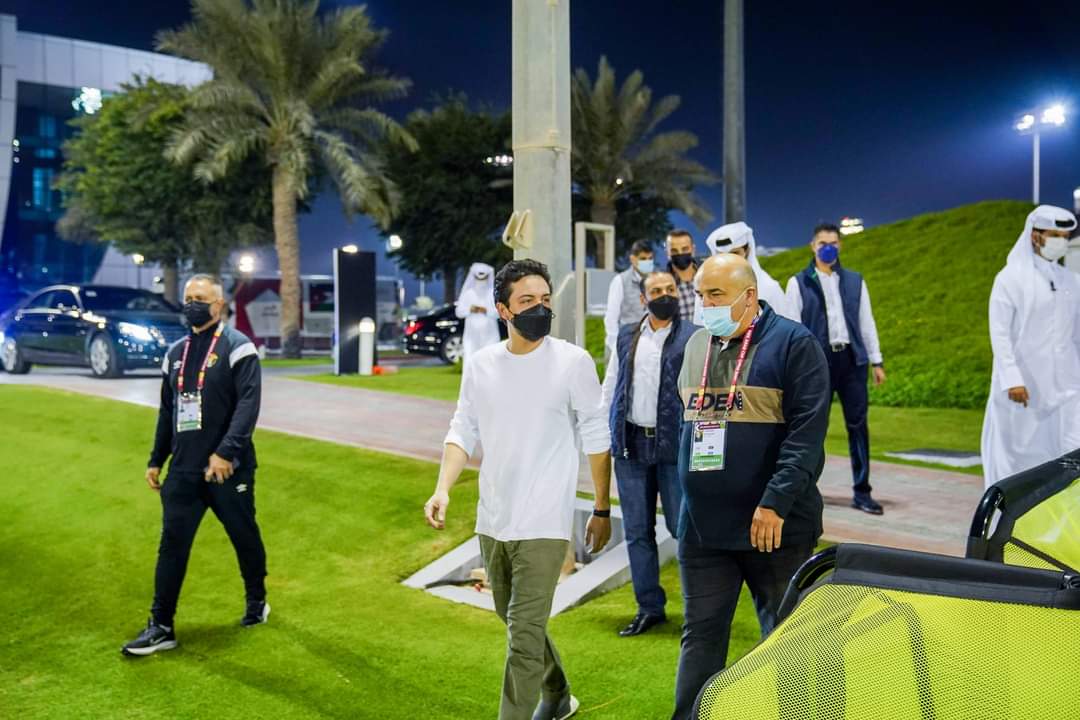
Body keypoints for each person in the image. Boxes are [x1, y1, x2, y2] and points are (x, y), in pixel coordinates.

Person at [424, 259, 612, 720]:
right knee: (511, 617)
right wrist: (442, 488)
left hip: (545, 520)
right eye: (527, 301)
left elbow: (597, 436)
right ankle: (558, 693)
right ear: (503, 310)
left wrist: (601, 508)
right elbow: (462, 428)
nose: (539, 309)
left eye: (545, 300)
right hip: (494, 517)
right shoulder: (482, 364)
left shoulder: (573, 362)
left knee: (523, 636)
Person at [672, 255, 830, 719]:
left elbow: (806, 437)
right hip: (703, 529)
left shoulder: (794, 344)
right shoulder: (697, 345)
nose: (705, 305)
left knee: (790, 643)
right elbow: (687, 428)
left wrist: (775, 502)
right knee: (700, 637)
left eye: (715, 295)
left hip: (773, 528)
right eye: (701, 295)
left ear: (749, 297)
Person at [123, 274, 267, 657]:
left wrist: (226, 453)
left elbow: (248, 406)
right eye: (188, 298)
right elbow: (167, 410)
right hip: (184, 471)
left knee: (243, 535)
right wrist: (157, 458)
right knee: (171, 545)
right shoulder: (175, 353)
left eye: (200, 298)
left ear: (218, 305)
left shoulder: (238, 348)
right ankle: (161, 626)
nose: (192, 305)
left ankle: (256, 600)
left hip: (228, 470)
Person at [601, 270, 694, 637]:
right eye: (656, 290)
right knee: (638, 531)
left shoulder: (694, 337)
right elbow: (612, 383)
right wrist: (604, 429)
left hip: (674, 445)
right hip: (632, 445)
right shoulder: (627, 336)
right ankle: (649, 607)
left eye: (670, 289)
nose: (665, 295)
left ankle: (697, 610)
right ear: (643, 299)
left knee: (682, 529)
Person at [785, 223, 887, 515]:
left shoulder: (855, 281)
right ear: (812, 246)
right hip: (818, 363)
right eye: (822, 243)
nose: (827, 248)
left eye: (833, 242)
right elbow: (792, 327)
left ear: (840, 245)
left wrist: (876, 361)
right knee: (813, 428)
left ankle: (862, 492)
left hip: (852, 361)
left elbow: (866, 322)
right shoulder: (799, 282)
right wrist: (795, 368)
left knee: (858, 426)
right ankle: (804, 490)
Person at [981, 205, 1080, 487]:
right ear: (1035, 236)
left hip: (1068, 387)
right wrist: (1012, 379)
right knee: (1020, 461)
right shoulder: (1010, 279)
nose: (1061, 242)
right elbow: (1000, 334)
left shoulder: (1071, 280)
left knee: (1069, 453)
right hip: (1024, 389)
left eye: (1065, 236)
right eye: (1054, 235)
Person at [704, 221, 793, 319]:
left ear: (747, 251)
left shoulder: (770, 289)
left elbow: (784, 326)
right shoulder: (705, 290)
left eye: (735, 253)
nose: (730, 260)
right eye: (723, 255)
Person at [604, 240, 656, 355]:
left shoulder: (656, 281)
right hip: (626, 345)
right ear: (633, 259)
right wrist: (616, 348)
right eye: (643, 259)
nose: (647, 262)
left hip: (650, 347)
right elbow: (611, 318)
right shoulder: (620, 281)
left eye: (650, 258)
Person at [456, 262, 501, 363]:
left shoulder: (492, 293)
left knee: (490, 360)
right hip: (471, 334)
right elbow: (459, 312)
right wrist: (470, 310)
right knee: (471, 360)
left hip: (490, 333)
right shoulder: (468, 293)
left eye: (483, 277)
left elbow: (499, 313)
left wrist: (486, 310)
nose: (481, 281)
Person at [666, 229, 700, 323]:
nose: (680, 254)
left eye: (685, 249)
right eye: (674, 251)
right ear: (667, 253)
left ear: (693, 249)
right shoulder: (664, 287)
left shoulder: (707, 278)